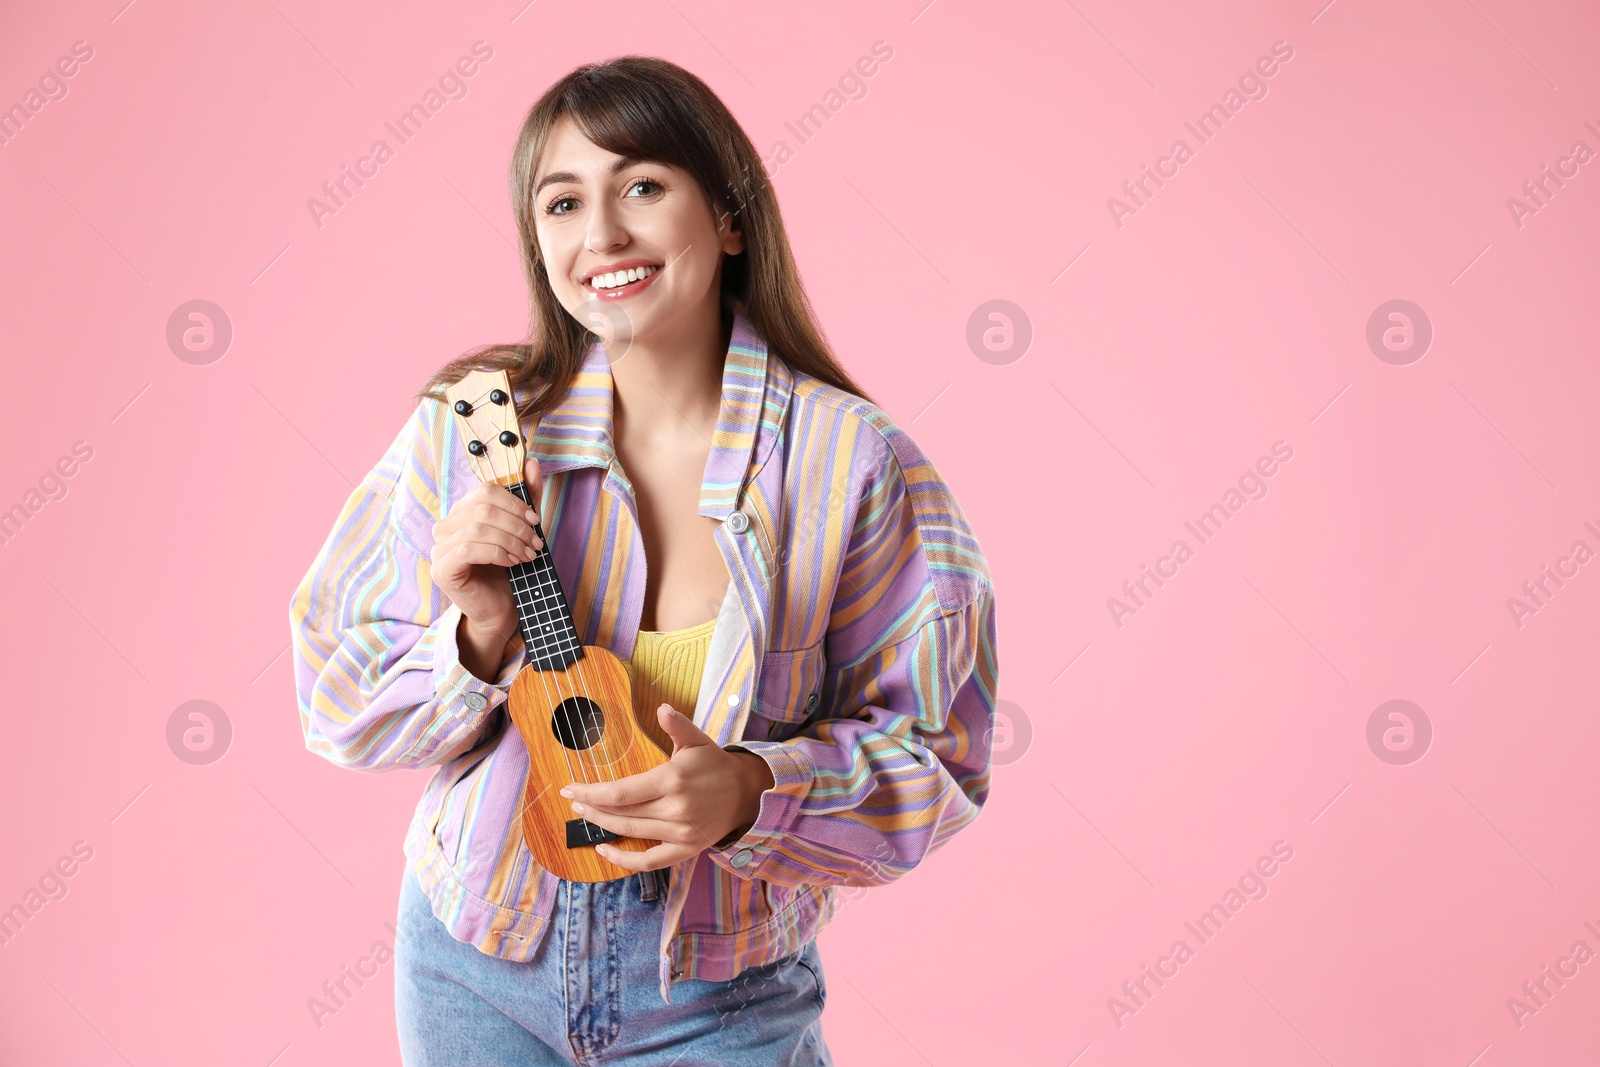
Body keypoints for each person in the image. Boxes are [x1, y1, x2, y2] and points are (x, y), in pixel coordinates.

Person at [288, 54, 999, 1065]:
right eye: (563, 202)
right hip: (474, 954)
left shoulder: (854, 463)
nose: (603, 234)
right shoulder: (476, 428)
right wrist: (476, 638)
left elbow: (942, 751)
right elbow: (336, 695)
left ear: (729, 217)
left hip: (719, 989)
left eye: (642, 186)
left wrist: (754, 787)